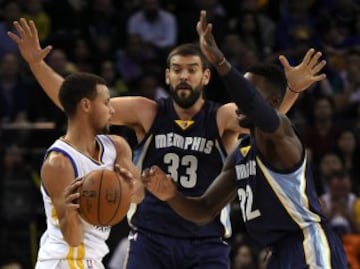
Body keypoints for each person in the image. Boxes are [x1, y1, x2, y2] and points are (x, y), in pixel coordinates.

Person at [8, 17, 327, 269]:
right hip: (152, 238)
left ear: (205, 77)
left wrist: (292, 92)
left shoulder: (221, 117)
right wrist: (37, 64)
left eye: (192, 70)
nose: (184, 76)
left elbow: (265, 120)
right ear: (167, 77)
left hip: (206, 241)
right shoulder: (146, 111)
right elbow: (80, 104)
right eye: (177, 70)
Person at [141, 10, 348, 269]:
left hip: (307, 243)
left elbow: (256, 107)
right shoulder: (242, 152)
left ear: (271, 103)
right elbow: (204, 208)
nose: (237, 101)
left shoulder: (280, 132)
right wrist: (171, 195)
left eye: (248, 92)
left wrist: (220, 61)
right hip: (277, 253)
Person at [31, 72, 142, 268]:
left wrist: (130, 187)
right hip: (65, 260)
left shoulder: (116, 147)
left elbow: (139, 196)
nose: (112, 111)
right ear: (86, 105)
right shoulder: (59, 163)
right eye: (106, 103)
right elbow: (73, 238)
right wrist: (72, 212)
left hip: (92, 259)